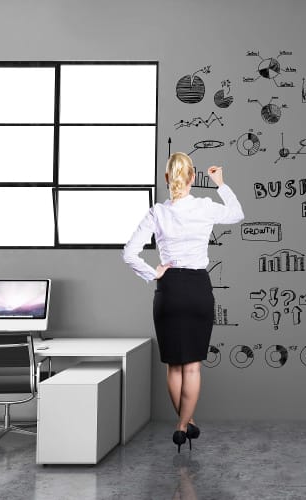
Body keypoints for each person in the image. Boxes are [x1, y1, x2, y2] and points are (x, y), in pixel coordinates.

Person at [123, 152, 244, 453]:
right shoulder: (204, 207)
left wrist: (153, 273)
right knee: (192, 367)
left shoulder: (157, 212)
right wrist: (220, 183)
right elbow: (237, 214)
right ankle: (182, 426)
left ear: (167, 179)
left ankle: (184, 424)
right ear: (192, 178)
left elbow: (128, 253)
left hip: (169, 288)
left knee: (174, 367)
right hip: (198, 288)